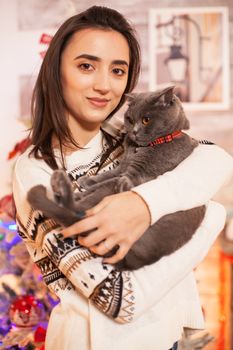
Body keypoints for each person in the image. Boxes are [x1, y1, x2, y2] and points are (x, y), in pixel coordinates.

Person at [12, 5, 233, 350]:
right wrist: (211, 217)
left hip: (172, 339)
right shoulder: (37, 170)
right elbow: (119, 298)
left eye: (118, 70)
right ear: (56, 71)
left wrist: (144, 204)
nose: (104, 85)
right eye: (86, 66)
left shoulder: (126, 133)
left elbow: (215, 158)